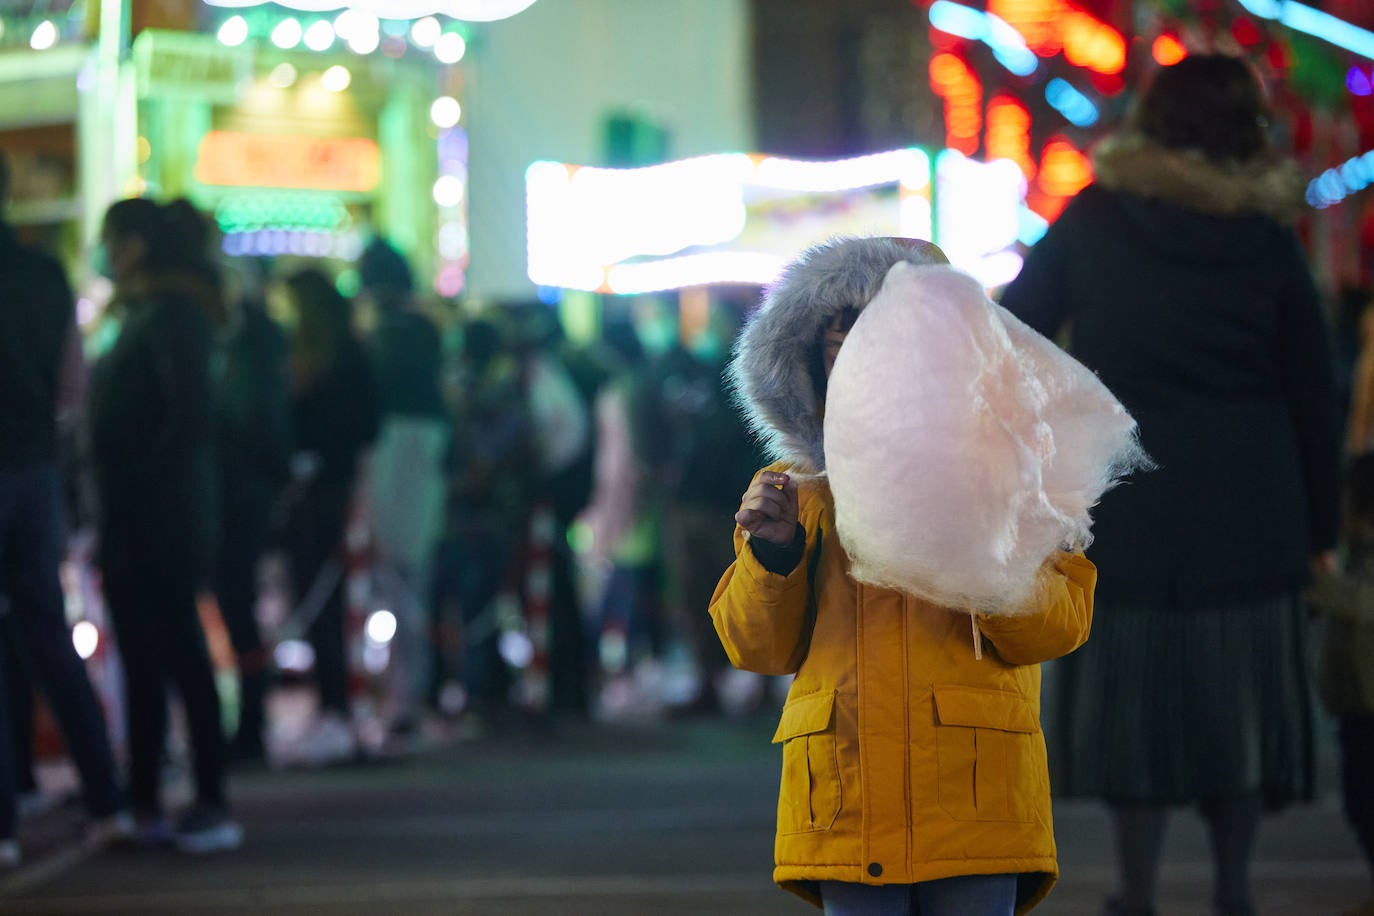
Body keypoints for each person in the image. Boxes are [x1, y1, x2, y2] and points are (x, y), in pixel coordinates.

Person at [998, 55, 1341, 916]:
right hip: (1253, 509)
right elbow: (1312, 392)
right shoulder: (1265, 240)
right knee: (1240, 714)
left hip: (1126, 501)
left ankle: (1138, 891)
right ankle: (1233, 891)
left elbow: (1013, 331)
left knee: (1133, 712)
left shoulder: (1096, 220)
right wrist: (1320, 530)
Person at [709, 236, 1098, 915]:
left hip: (976, 804)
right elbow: (755, 647)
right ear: (813, 364)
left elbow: (1057, 627)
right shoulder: (794, 493)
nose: (862, 367)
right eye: (841, 349)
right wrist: (774, 555)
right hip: (846, 803)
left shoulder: (1012, 472)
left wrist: (981, 542)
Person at [88, 197, 241, 852]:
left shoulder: (172, 317)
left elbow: (185, 421)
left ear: (136, 246)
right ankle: (146, 796)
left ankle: (207, 799)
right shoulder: (154, 315)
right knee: (148, 660)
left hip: (160, 517)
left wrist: (137, 490)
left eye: (111, 242)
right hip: (143, 514)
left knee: (175, 652)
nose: (105, 255)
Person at [0, 154, 131, 866]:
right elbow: (70, 385)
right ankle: (106, 800)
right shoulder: (45, 273)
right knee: (46, 632)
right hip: (36, 464)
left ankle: (5, 822)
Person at [276, 268, 379, 766]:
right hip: (329, 486)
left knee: (323, 600)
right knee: (328, 603)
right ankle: (335, 708)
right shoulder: (350, 351)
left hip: (319, 490)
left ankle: (337, 708)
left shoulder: (323, 358)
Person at [356, 239, 450, 742]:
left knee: (388, 577)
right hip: (425, 455)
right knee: (414, 580)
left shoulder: (380, 338)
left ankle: (394, 698)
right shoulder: (427, 333)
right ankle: (410, 694)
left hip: (391, 453)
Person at [213, 276, 292, 765]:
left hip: (235, 495)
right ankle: (249, 723)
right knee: (242, 610)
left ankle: (249, 726)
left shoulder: (243, 355)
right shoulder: (262, 351)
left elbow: (247, 423)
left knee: (238, 608)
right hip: (249, 493)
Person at [1307, 455, 1374, 916]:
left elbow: (1362, 603)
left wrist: (1314, 579)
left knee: (1368, 804)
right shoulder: (1355, 552)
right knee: (1361, 804)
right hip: (1356, 704)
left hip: (1369, 705)